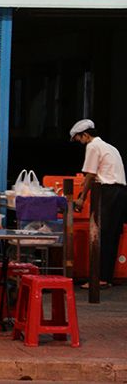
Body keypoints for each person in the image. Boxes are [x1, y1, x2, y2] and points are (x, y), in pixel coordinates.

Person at [70, 119, 127, 289]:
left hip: (107, 192)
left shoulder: (93, 146)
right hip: (121, 192)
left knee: (100, 235)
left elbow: (89, 175)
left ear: (85, 135)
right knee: (112, 235)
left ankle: (98, 278)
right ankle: (106, 277)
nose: (80, 142)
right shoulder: (111, 147)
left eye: (79, 138)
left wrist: (81, 197)